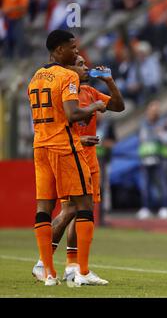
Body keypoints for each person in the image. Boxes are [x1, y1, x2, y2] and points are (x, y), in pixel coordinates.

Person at [32, 54, 125, 283]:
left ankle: (72, 266)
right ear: (69, 67)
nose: (86, 68)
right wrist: (80, 141)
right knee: (70, 210)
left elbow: (119, 106)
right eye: (80, 64)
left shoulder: (90, 92)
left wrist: (109, 82)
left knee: (82, 211)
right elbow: (62, 122)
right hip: (67, 154)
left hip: (88, 159)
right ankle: (44, 263)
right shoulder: (64, 88)